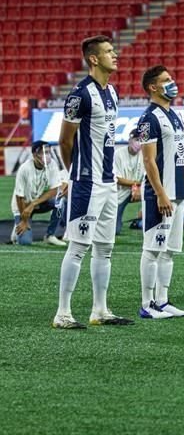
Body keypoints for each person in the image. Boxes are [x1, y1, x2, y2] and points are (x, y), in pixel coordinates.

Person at [53, 35, 133, 329]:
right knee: (78, 246)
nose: (116, 55)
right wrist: (75, 171)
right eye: (110, 52)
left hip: (109, 181)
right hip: (86, 182)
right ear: (94, 58)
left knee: (104, 248)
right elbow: (65, 140)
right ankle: (62, 313)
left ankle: (100, 310)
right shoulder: (79, 95)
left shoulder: (112, 92)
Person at [136, 65, 184, 319]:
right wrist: (160, 193)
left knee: (170, 250)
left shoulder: (174, 116)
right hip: (159, 194)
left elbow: (179, 156)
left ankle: (163, 300)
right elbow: (149, 161)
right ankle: (147, 304)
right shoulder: (149, 118)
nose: (173, 83)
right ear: (153, 87)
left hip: (177, 193)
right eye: (166, 80)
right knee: (152, 249)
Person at [11, 140, 67, 246]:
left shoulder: (52, 165)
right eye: (42, 152)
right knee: (25, 242)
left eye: (48, 152)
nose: (46, 155)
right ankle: (17, 230)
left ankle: (50, 235)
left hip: (36, 202)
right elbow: (19, 196)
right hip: (22, 205)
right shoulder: (24, 169)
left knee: (60, 201)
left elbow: (55, 189)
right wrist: (24, 220)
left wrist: (34, 204)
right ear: (34, 154)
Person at [114, 129, 144, 235]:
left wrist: (140, 189)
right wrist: (136, 185)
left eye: (141, 140)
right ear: (129, 140)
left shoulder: (145, 155)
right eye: (136, 139)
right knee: (114, 231)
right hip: (121, 192)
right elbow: (117, 179)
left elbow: (150, 177)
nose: (138, 143)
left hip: (141, 190)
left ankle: (144, 221)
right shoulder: (118, 154)